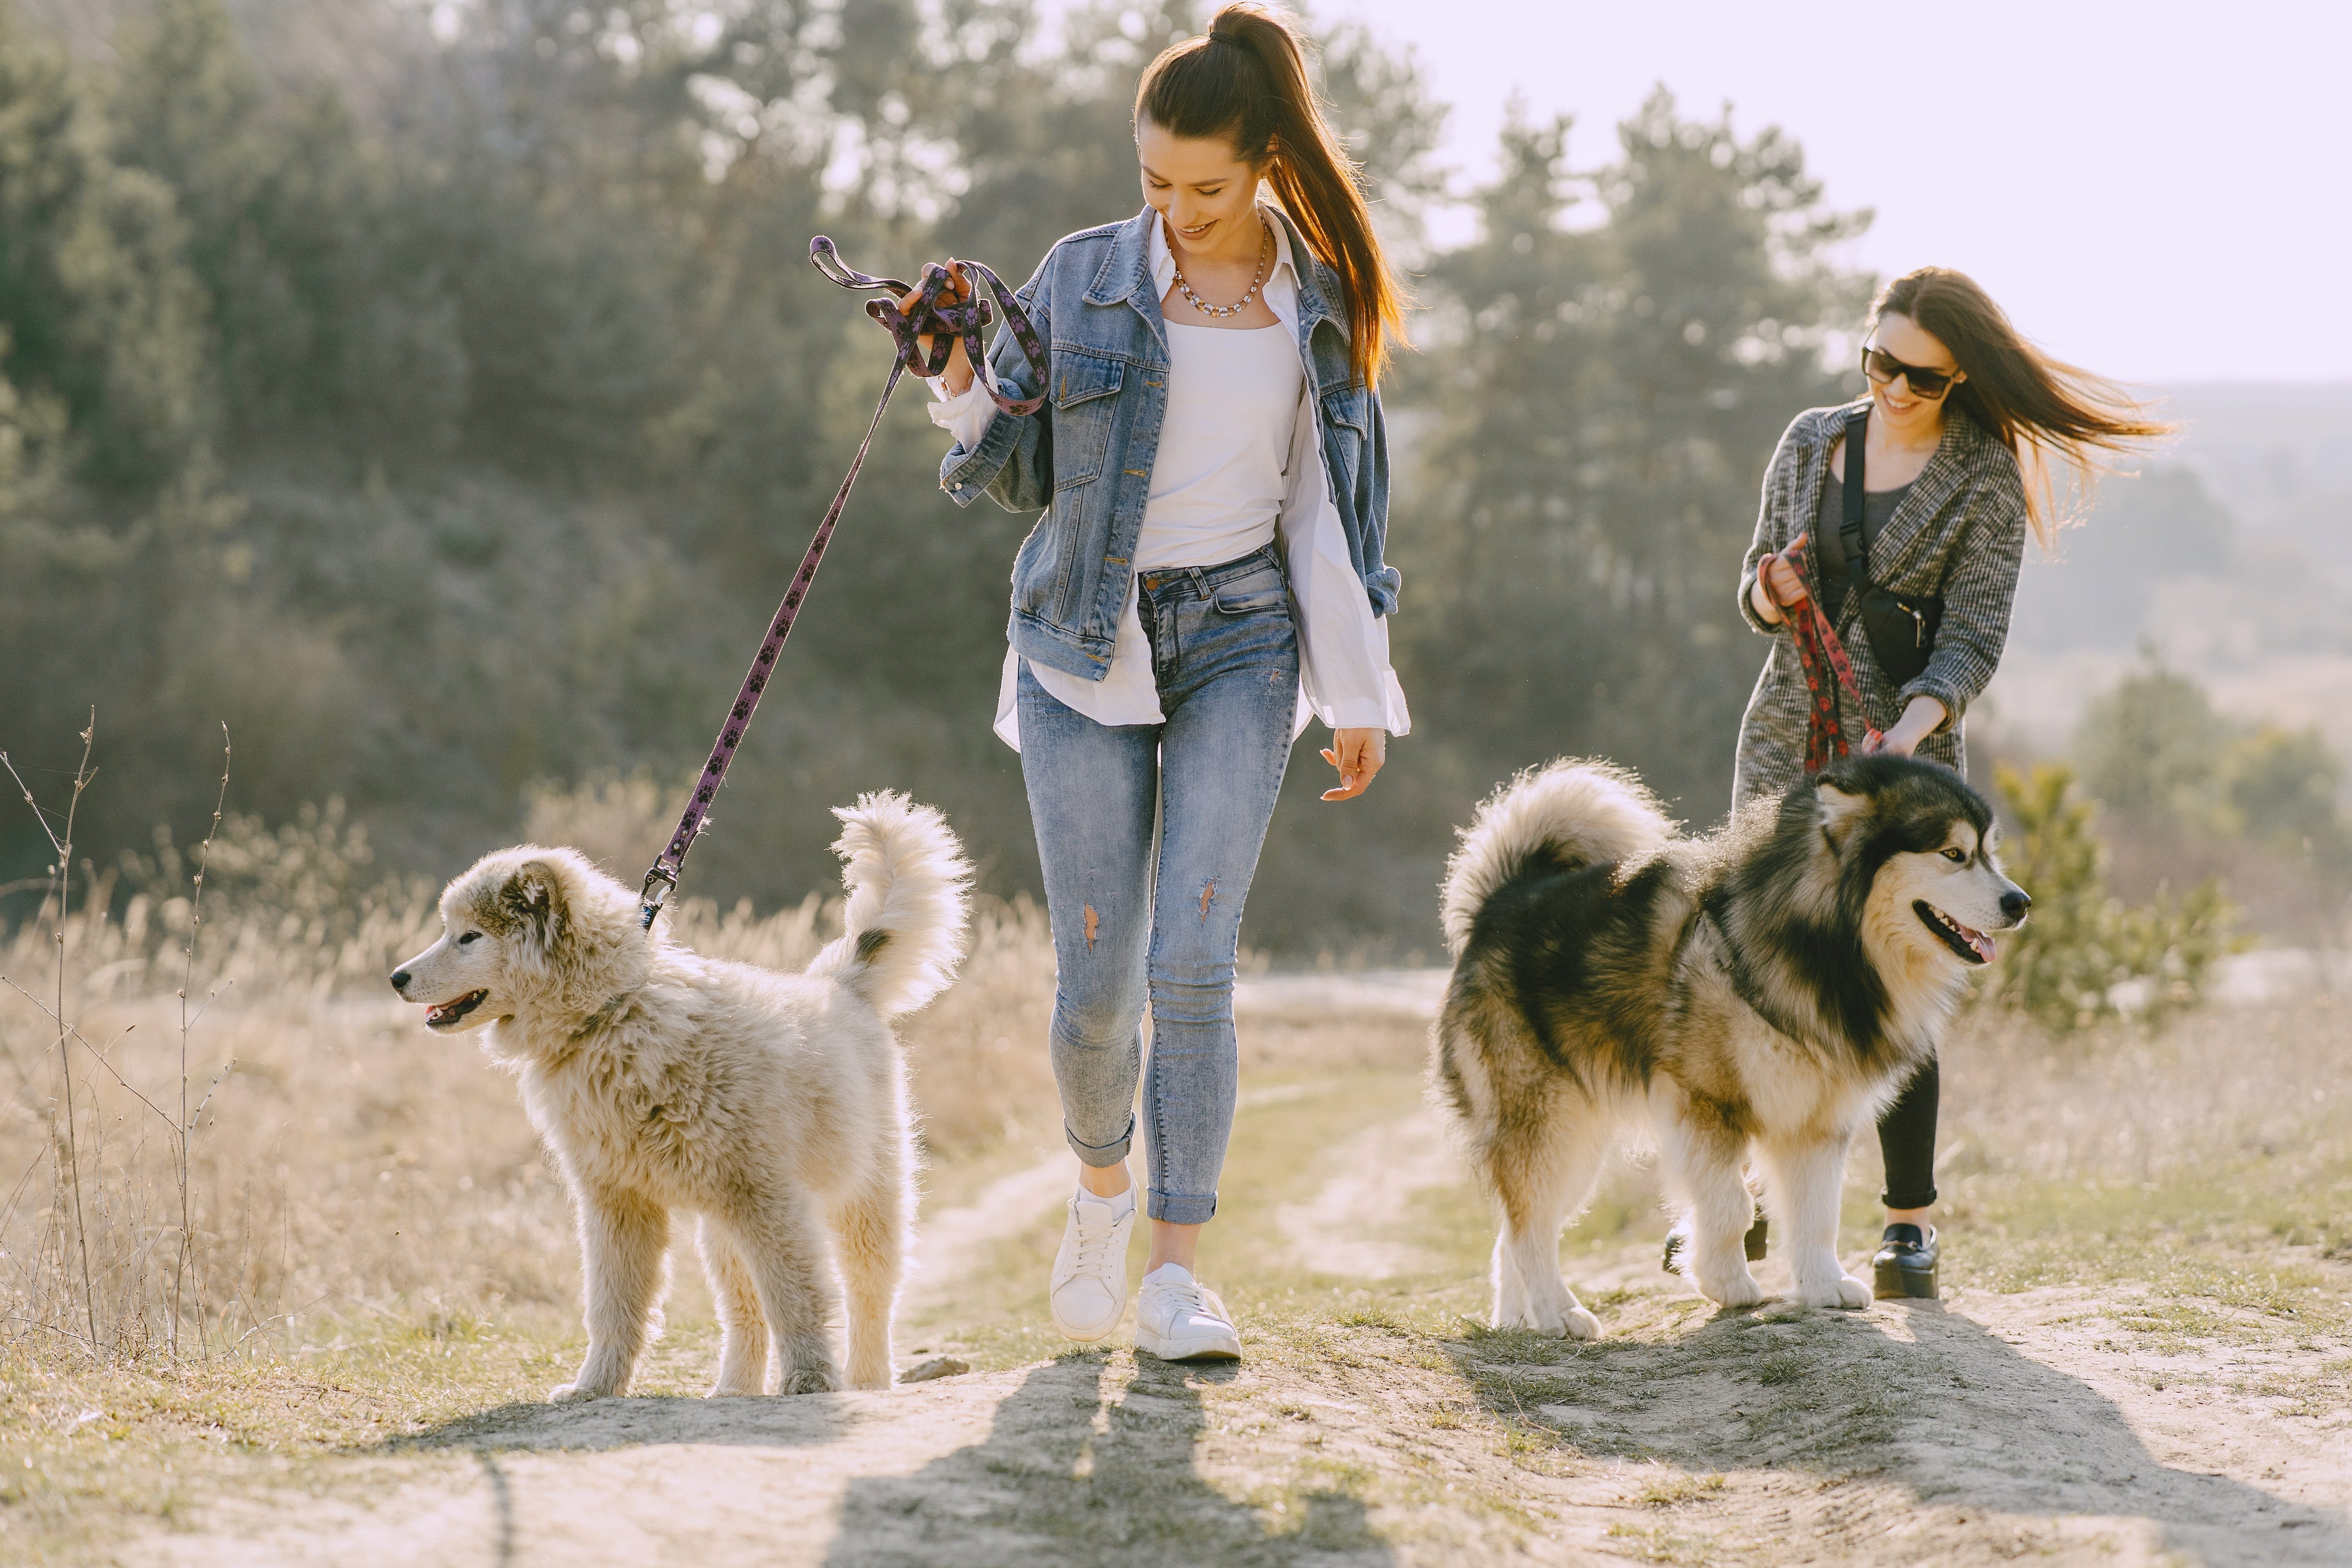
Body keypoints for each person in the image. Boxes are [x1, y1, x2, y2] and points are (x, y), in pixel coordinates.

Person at [904, 3, 1410, 1361]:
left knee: (1193, 965)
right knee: (1094, 990)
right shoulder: (1078, 279)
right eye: (1155, 183)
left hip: (1245, 638)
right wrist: (961, 383)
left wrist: (1358, 687)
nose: (1177, 213)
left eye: (1206, 186)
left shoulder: (1325, 301)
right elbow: (1013, 474)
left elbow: (1338, 513)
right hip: (1080, 639)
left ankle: (1180, 1273)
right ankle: (1101, 1189)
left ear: (1263, 163)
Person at [1733, 267, 2167, 1298]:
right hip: (1786, 747)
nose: (1891, 387)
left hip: (1910, 760)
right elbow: (1752, 582)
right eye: (1878, 362)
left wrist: (1912, 734)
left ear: (1959, 374)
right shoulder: (1810, 441)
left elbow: (1972, 643)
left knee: (1905, 976)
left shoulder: (1982, 476)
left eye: (1917, 377)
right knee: (1757, 970)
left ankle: (1908, 1225)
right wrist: (1767, 589)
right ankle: (1747, 1208)